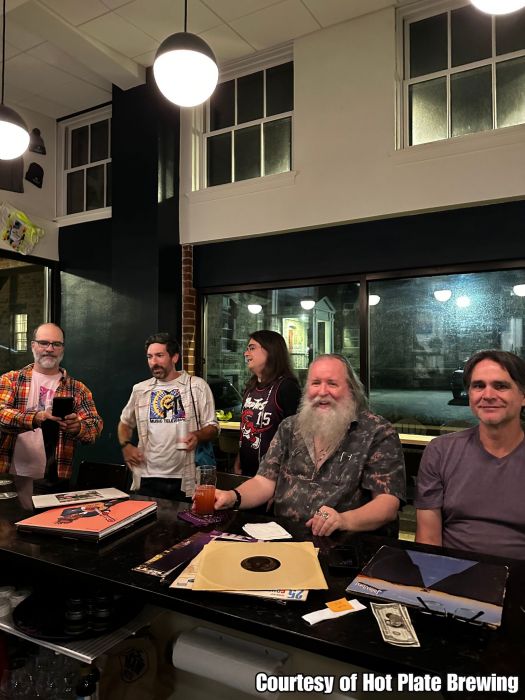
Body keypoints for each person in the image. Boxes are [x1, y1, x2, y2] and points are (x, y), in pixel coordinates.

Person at [214, 354, 405, 535]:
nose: (322, 392)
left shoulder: (377, 432)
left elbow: (387, 503)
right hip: (285, 537)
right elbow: (263, 482)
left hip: (347, 543)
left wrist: (343, 520)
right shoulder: (289, 427)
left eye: (332, 384)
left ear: (352, 390)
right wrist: (231, 497)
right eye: (315, 383)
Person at [415, 349, 525, 559]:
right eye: (478, 386)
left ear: (523, 396)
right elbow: (428, 540)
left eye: (501, 386)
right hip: (453, 572)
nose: (488, 395)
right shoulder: (440, 451)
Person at [0, 323, 103, 508]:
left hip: (55, 478)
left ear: (62, 348)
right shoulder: (11, 380)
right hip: (10, 474)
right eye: (43, 343)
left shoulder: (77, 389)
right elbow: (1, 414)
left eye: (56, 344)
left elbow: (95, 426)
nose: (49, 349)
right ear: (33, 345)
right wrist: (36, 417)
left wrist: (79, 427)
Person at [118, 332, 219, 500]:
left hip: (186, 477)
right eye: (150, 357)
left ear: (174, 357)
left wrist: (197, 435)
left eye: (159, 355)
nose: (153, 362)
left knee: (187, 517)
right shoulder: (140, 390)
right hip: (148, 476)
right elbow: (125, 423)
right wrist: (126, 446)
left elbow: (213, 428)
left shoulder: (197, 386)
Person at [236, 330, 301, 476]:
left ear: (271, 351)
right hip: (248, 472)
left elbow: (297, 438)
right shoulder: (251, 387)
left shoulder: (286, 387)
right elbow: (245, 431)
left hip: (274, 476)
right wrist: (239, 459)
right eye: (247, 349)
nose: (246, 354)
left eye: (252, 348)